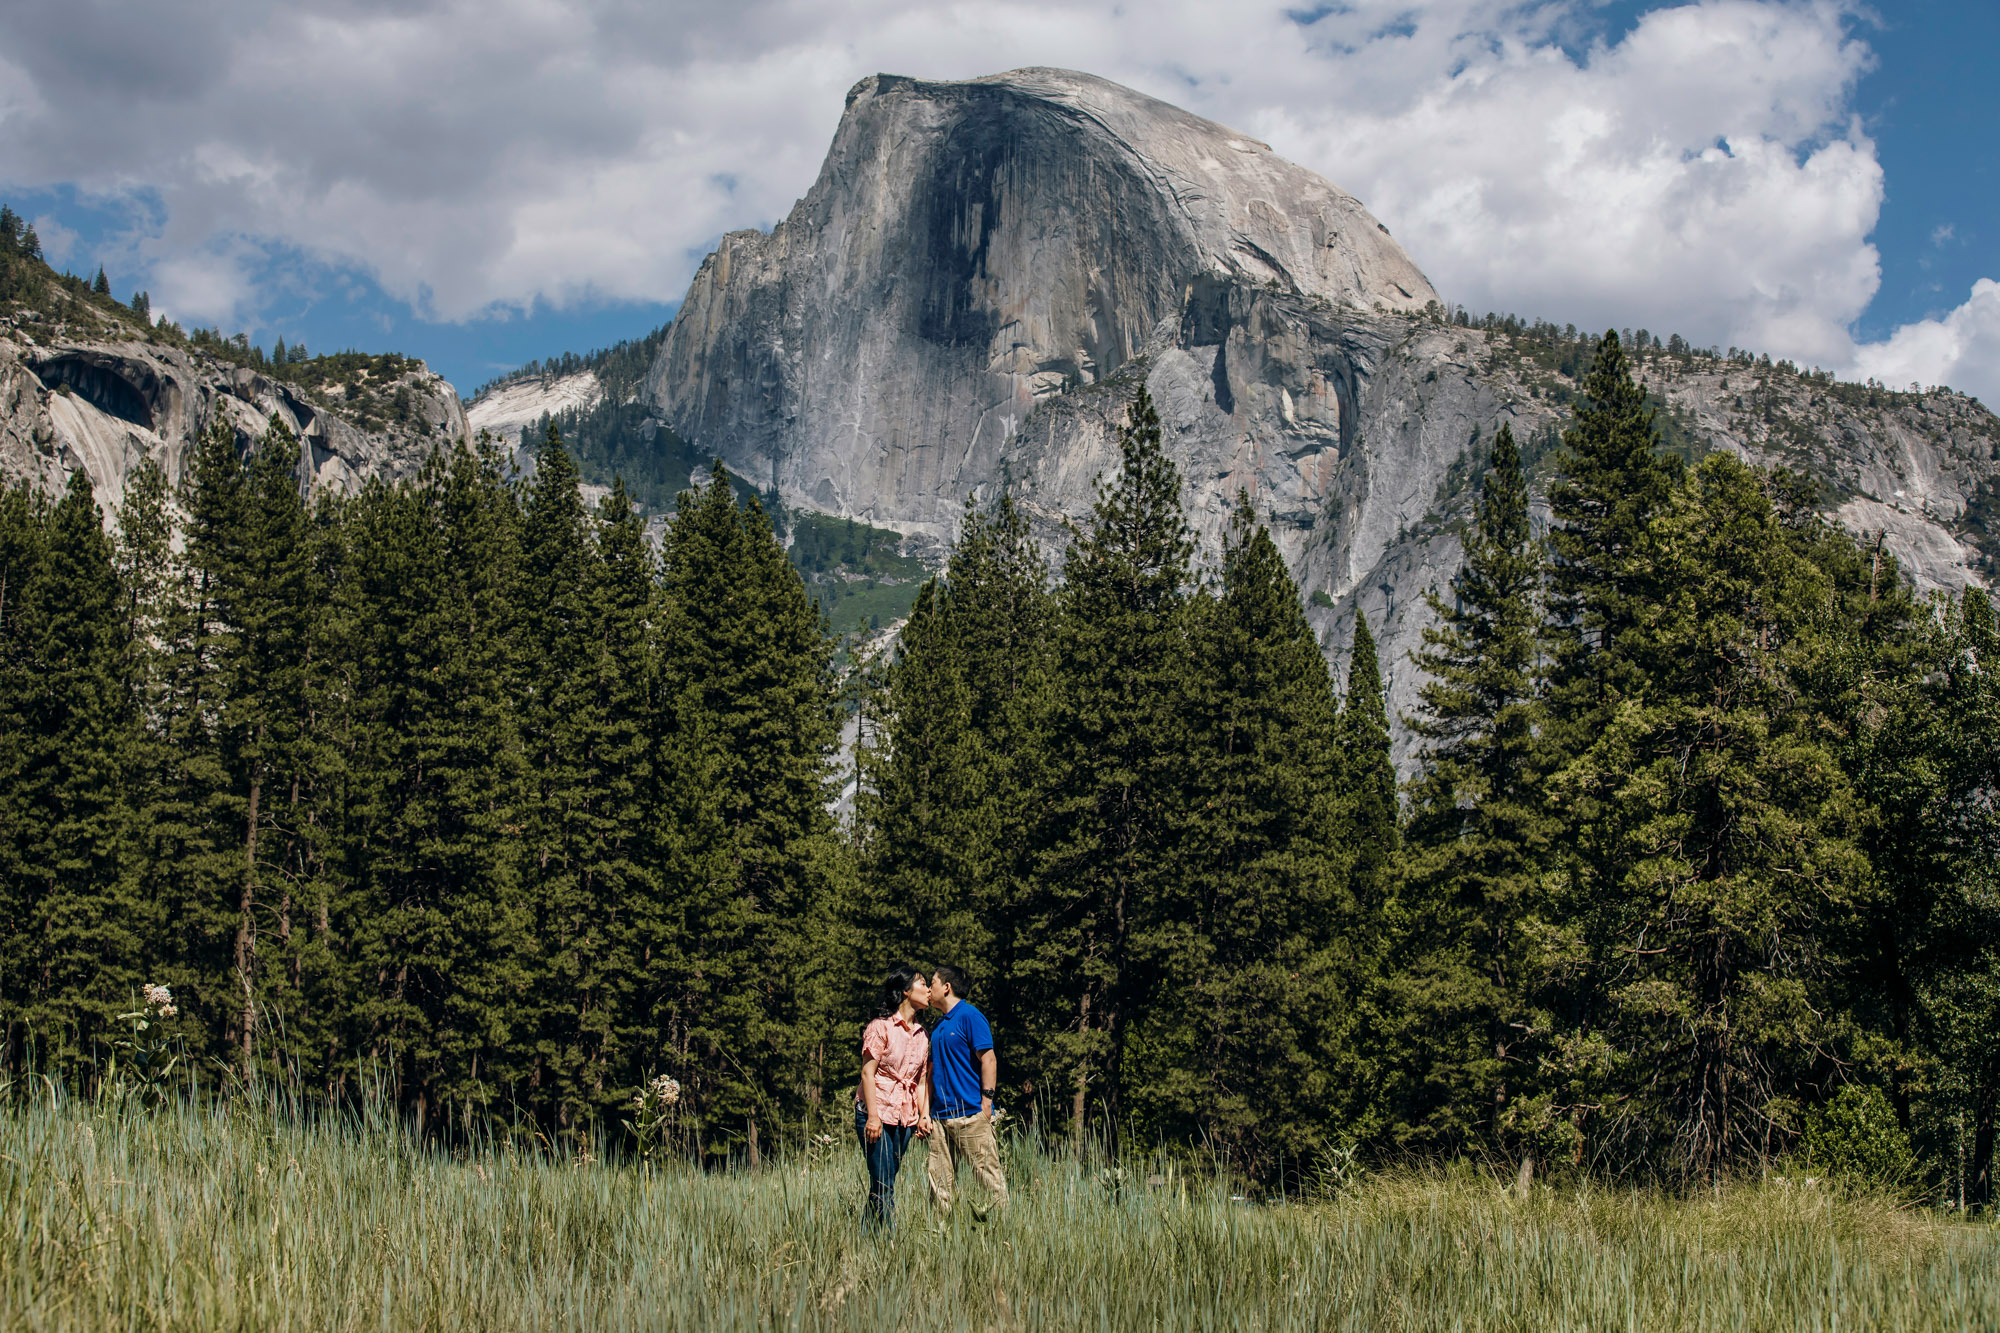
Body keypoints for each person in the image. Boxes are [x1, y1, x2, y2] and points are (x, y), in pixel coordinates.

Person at [924, 964, 1009, 1218]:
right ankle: (940, 1239)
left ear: (947, 987)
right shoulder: (939, 1026)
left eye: (933, 983)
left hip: (971, 1114)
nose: (929, 989)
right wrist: (927, 1113)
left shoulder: (970, 1016)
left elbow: (989, 1059)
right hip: (940, 1118)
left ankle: (1003, 1233)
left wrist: (986, 1104)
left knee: (989, 1182)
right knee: (939, 1186)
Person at [856, 964, 933, 1229]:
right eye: (922, 984)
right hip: (877, 1112)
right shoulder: (880, 1028)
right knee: (883, 1181)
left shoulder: (923, 1035)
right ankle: (891, 1239)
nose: (927, 989)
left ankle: (866, 1237)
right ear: (905, 991)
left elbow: (921, 1081)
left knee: (885, 1180)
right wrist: (873, 1118)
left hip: (905, 1117)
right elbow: (868, 1074)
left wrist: (924, 1115)